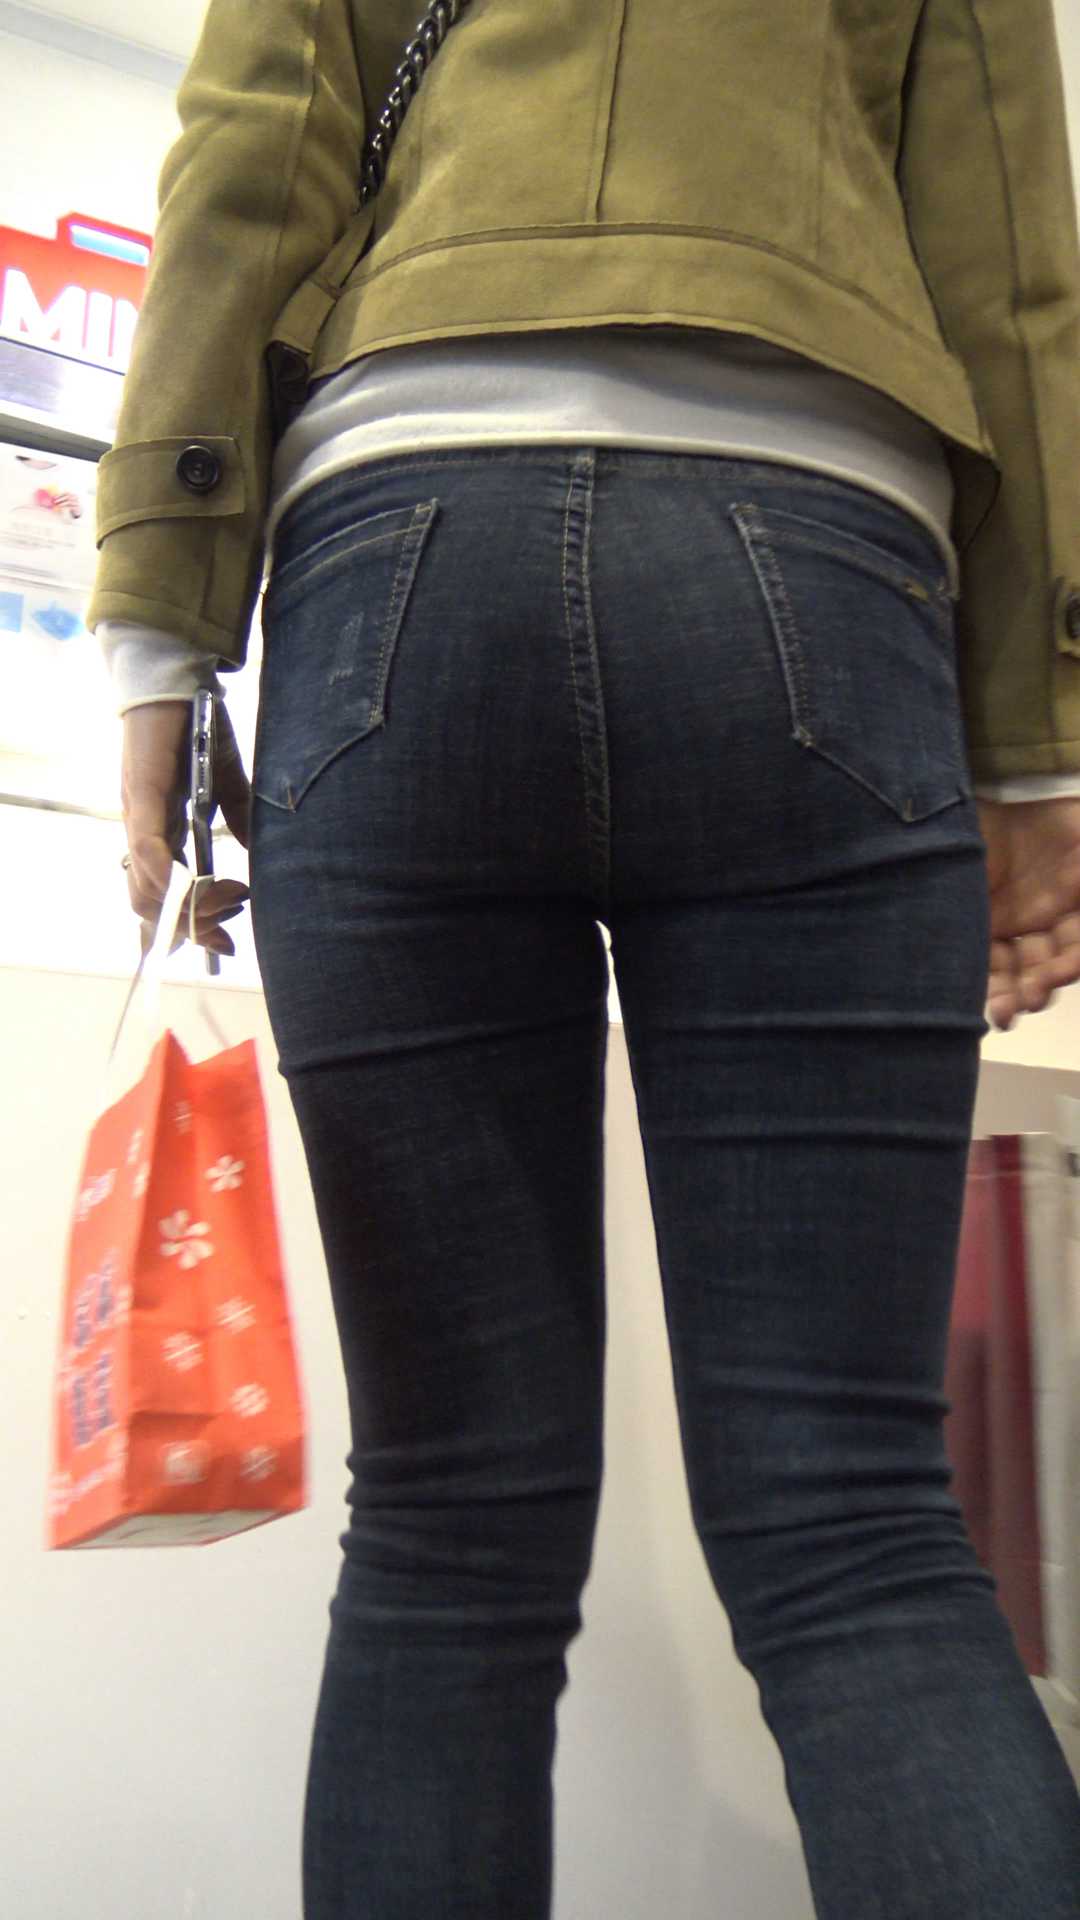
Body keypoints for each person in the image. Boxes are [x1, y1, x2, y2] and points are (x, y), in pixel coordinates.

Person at [88, 2, 1080, 1914]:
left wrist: (157, 627)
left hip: (404, 555)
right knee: (858, 1531)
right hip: (816, 546)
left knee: (446, 1530)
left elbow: (250, 156)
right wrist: (1043, 741)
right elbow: (1016, 263)